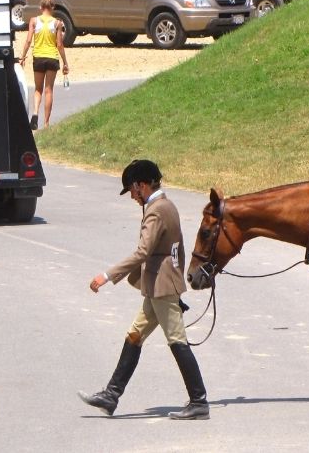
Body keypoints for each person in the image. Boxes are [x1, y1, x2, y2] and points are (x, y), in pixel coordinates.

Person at [78, 159, 210, 420]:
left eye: (132, 190)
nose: (132, 197)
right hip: (158, 286)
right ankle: (111, 395)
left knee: (177, 341)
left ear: (142, 185)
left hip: (162, 288)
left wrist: (107, 275)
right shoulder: (165, 205)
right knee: (134, 335)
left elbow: (143, 251)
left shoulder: (156, 210)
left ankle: (199, 401)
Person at [18, 0, 69, 130]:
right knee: (49, 90)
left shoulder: (34, 21)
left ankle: (35, 114)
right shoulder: (57, 23)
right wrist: (65, 62)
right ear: (52, 7)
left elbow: (28, 40)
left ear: (41, 7)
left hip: (38, 57)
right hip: (52, 58)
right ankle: (46, 124)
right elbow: (59, 45)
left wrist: (22, 57)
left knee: (38, 89)